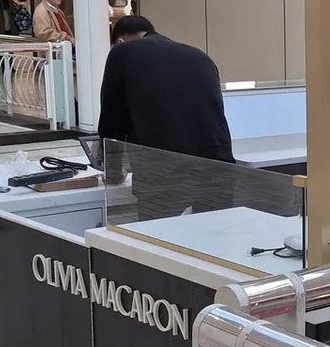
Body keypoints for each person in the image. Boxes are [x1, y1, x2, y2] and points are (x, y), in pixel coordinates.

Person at [98, 16, 235, 220]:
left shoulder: (122, 53)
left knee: (157, 244)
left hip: (163, 170)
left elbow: (111, 122)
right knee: (211, 241)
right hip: (218, 166)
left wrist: (113, 172)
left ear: (119, 41)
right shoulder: (199, 56)